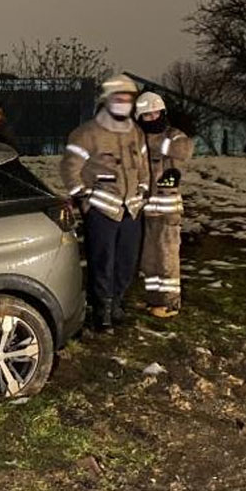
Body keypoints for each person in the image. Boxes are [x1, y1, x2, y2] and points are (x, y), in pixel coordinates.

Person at [59, 74, 150, 332]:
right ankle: (102, 311)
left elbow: (143, 168)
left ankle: (117, 302)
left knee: (126, 261)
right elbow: (69, 169)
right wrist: (84, 198)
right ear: (107, 99)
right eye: (118, 98)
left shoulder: (136, 133)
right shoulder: (87, 133)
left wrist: (142, 191)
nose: (123, 102)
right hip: (102, 209)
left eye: (128, 98)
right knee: (102, 261)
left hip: (131, 209)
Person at [135, 92, 194, 318]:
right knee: (150, 261)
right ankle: (154, 300)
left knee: (167, 258)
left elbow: (184, 150)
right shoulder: (139, 139)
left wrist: (152, 140)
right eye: (147, 115)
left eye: (155, 113)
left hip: (168, 212)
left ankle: (170, 303)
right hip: (146, 212)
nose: (152, 118)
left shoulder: (173, 136)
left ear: (163, 113)